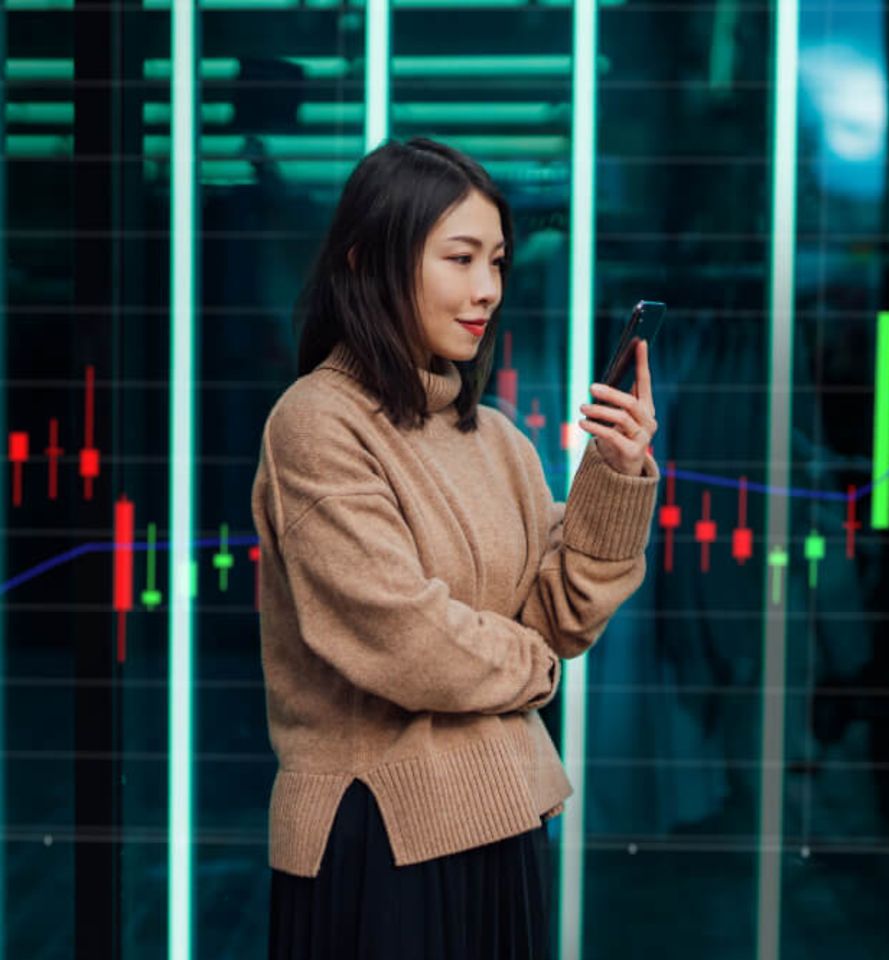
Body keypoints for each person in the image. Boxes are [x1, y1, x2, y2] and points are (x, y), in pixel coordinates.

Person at [250, 137, 660, 959]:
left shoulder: (496, 439)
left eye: (498, 262)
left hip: (501, 821)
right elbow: (406, 638)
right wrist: (533, 668)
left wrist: (613, 478)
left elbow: (558, 616)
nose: (486, 291)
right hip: (377, 839)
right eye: (460, 258)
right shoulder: (316, 423)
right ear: (368, 261)